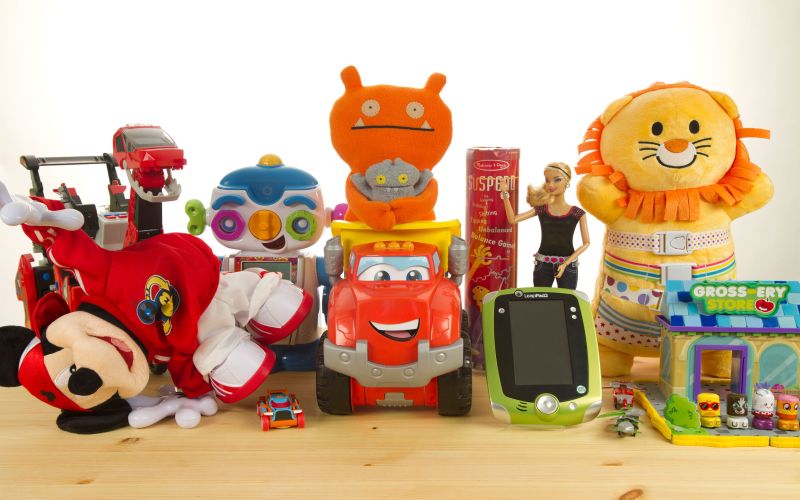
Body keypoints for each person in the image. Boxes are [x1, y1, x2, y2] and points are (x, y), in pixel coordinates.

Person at [499, 162, 589, 289]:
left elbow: (586, 243)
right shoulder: (542, 209)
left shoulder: (577, 213)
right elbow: (513, 220)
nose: (551, 185)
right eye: (547, 180)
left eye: (557, 180)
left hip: (568, 266)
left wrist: (565, 264)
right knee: (540, 298)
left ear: (567, 180)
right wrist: (504, 193)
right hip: (543, 264)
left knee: (567, 299)